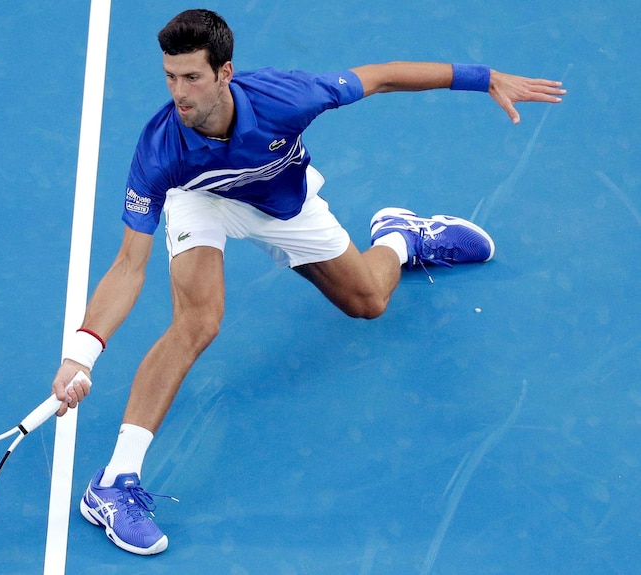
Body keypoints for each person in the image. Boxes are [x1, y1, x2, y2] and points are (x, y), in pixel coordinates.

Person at [51, 9, 565, 556]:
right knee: (199, 321)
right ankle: (113, 483)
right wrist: (81, 355)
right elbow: (130, 264)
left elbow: (382, 75)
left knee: (368, 302)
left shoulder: (286, 98)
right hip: (202, 201)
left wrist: (483, 77)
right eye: (170, 77)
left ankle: (402, 238)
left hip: (282, 201)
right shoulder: (160, 150)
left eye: (192, 77)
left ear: (225, 72)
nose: (179, 92)